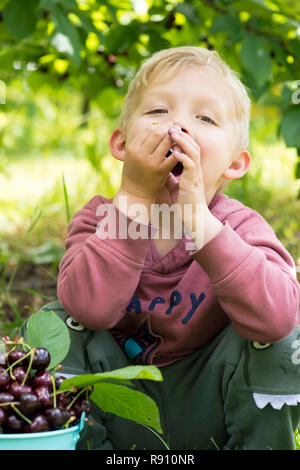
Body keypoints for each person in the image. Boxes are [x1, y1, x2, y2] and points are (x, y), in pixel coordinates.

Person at [43, 46, 300, 449]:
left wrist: (201, 223)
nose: (177, 126)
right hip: (116, 400)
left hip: (214, 398)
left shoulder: (242, 228)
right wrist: (133, 198)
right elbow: (87, 307)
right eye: (158, 112)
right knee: (55, 325)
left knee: (289, 340)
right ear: (122, 145)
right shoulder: (98, 221)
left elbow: (280, 319)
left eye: (204, 118)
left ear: (236, 163)